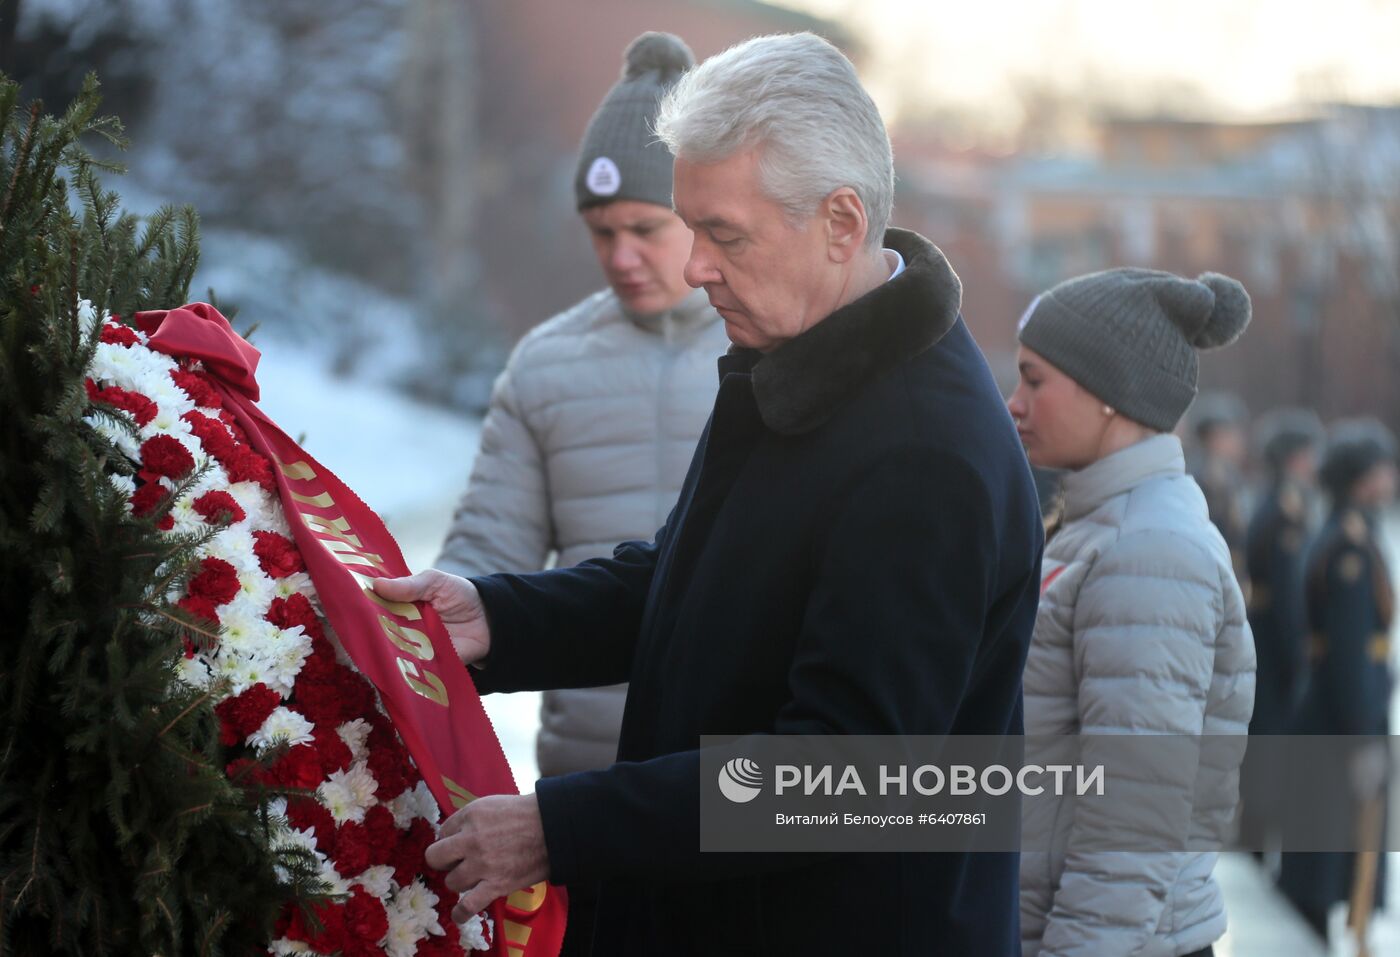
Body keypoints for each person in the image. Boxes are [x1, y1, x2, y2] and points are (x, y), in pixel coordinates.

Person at [378, 32, 1043, 956]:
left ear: (842, 223)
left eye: (723, 234)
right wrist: (495, 617)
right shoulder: (801, 355)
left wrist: (559, 827)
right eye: (689, 227)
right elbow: (693, 581)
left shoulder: (923, 453)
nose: (694, 267)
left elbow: (836, 780)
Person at [432, 32, 726, 953]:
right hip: (577, 807)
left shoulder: (772, 359)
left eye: (646, 227)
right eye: (603, 232)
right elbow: (485, 554)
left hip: (729, 803)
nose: (622, 255)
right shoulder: (546, 364)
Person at [1007, 268, 1257, 957]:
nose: (1014, 403)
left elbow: (1133, 817)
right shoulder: (1103, 525)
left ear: (1108, 392)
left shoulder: (1146, 547)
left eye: (1034, 379)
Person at [1279, 419, 1396, 940]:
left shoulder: (1354, 528)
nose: (1390, 477)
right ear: (1360, 478)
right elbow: (1350, 651)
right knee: (1323, 863)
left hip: (1332, 711)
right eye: (1381, 469)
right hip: (1340, 716)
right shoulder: (1349, 544)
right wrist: (1363, 727)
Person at [1237, 409, 1322, 858]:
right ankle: (1256, 839)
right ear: (1293, 459)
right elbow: (1290, 597)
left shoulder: (1276, 502)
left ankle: (1255, 833)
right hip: (1274, 645)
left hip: (1263, 638)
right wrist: (1299, 657)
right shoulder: (1286, 513)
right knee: (1271, 743)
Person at [1188, 393, 1250, 582]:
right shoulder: (1199, 479)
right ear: (1213, 438)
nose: (1238, 441)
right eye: (1230, 434)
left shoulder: (1233, 479)